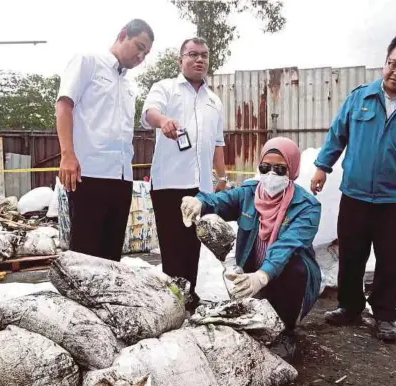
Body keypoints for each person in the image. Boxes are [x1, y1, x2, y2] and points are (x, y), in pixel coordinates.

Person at [310, 30, 396, 342]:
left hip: (395, 200)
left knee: (390, 261)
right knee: (351, 254)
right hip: (354, 194)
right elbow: (337, 135)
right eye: (393, 63)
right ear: (385, 61)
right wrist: (321, 167)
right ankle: (350, 307)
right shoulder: (360, 97)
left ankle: (384, 316)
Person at [181, 137, 322, 362]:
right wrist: (199, 202)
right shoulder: (249, 193)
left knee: (295, 267)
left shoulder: (307, 207)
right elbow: (221, 200)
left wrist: (262, 276)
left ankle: (286, 333)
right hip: (254, 273)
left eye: (280, 169)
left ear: (293, 169)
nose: (271, 175)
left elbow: (287, 245)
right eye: (265, 168)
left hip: (285, 278)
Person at [55, 19, 154, 262]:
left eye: (146, 53)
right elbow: (64, 105)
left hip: (121, 179)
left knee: (110, 258)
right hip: (89, 174)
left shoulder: (128, 85)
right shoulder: (88, 62)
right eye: (139, 46)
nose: (141, 56)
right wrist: (68, 155)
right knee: (85, 256)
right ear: (122, 35)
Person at [140, 37, 227, 309]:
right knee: (172, 243)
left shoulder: (214, 101)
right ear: (181, 60)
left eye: (204, 55)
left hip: (201, 186)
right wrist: (163, 121)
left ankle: (189, 293)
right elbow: (149, 112)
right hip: (169, 183)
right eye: (192, 54)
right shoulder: (165, 88)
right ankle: (173, 298)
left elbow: (218, 142)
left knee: (193, 243)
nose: (199, 59)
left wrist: (221, 178)